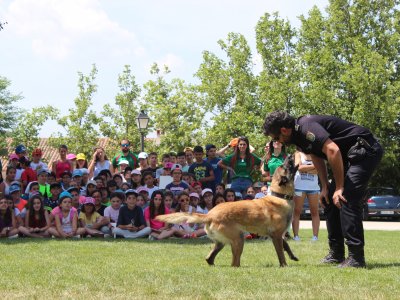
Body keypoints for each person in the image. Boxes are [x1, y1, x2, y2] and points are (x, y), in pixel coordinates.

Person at [263, 111, 383, 268]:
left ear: (284, 130)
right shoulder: (298, 138)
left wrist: (339, 187)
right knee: (328, 201)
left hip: (366, 150)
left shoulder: (306, 127)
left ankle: (356, 258)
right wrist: (325, 187)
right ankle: (337, 253)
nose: (277, 141)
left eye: (276, 137)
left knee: (345, 197)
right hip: (350, 157)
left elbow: (333, 150)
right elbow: (317, 156)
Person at [292, 150, 321, 242]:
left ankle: (315, 237)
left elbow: (319, 170)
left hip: (314, 188)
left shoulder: (316, 154)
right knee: (296, 211)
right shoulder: (298, 153)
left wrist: (306, 168)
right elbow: (299, 168)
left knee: (315, 212)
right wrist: (314, 167)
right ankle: (296, 236)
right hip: (299, 187)